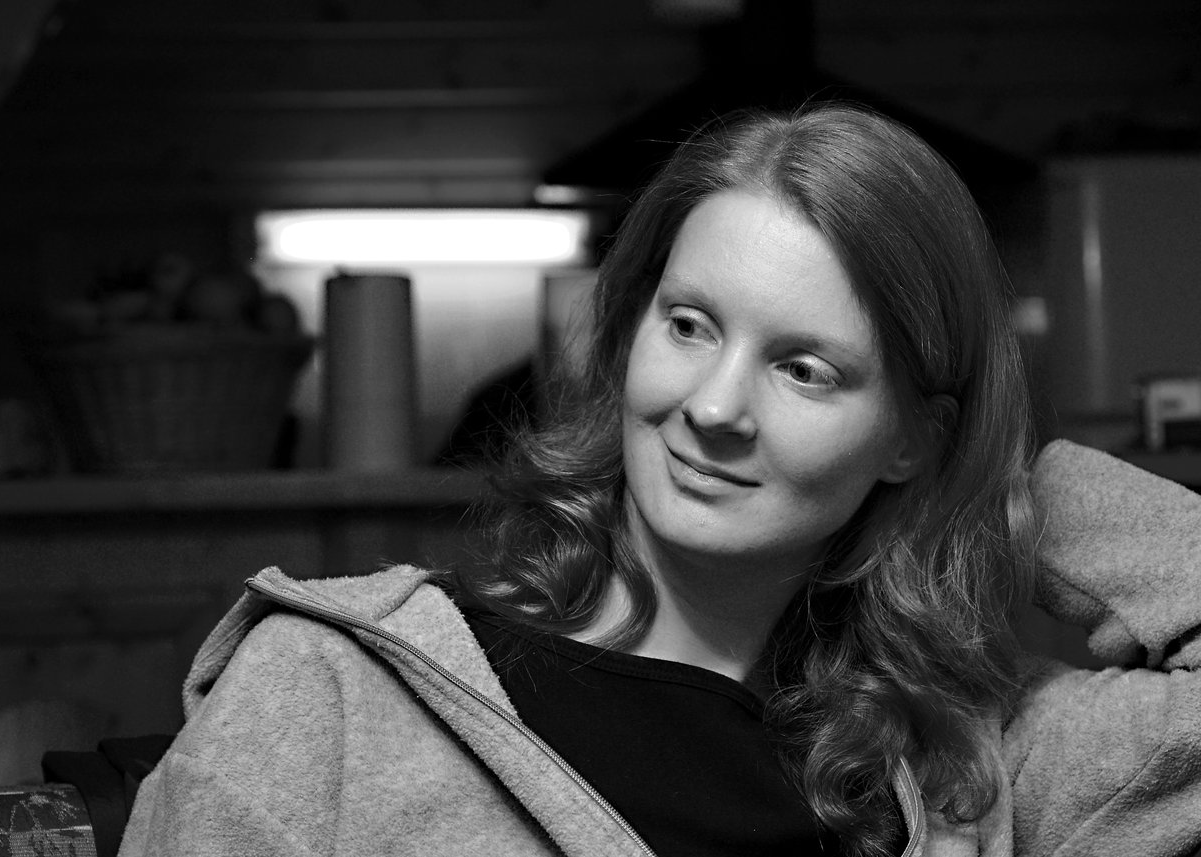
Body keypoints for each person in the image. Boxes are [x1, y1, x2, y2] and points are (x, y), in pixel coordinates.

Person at [117, 104, 1201, 857]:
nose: (715, 405)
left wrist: (999, 487)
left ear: (910, 439)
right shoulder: (329, 689)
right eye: (687, 325)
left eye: (802, 368)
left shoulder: (963, 767)